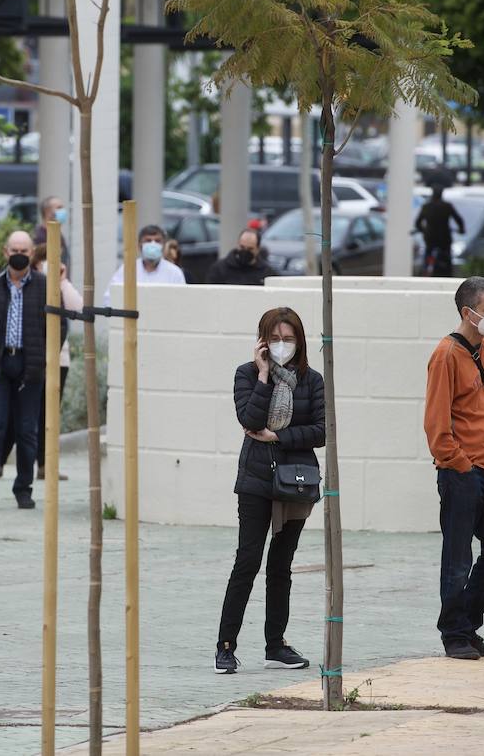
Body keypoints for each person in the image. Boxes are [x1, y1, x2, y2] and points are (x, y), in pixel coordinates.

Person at [214, 306, 324, 675]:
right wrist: (263, 375)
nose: (281, 346)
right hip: (257, 481)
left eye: (288, 339)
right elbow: (249, 420)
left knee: (282, 565)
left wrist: (278, 436)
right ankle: (226, 645)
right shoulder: (246, 374)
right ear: (262, 341)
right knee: (247, 560)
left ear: (300, 341)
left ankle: (275, 645)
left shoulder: (312, 380)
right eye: (274, 339)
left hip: (295, 480)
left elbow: (322, 431)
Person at [423, 276, 484, 661]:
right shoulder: (445, 354)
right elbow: (436, 421)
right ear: (468, 312)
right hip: (463, 471)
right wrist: (457, 463)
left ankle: (467, 623)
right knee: (457, 557)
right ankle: (454, 634)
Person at [0, 231, 60, 511]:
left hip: (30, 365)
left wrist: (46, 356)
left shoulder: (45, 286)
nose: (19, 254)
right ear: (5, 252)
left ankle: (24, 488)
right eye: (14, 249)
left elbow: (61, 326)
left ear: (32, 252)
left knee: (27, 431)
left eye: (24, 249)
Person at [32, 243, 81, 481]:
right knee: (23, 413)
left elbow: (77, 306)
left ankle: (46, 464)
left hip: (58, 359)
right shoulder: (31, 285)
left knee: (50, 415)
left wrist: (61, 281)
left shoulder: (61, 285)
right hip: (32, 357)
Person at [103, 224, 186, 305]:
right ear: (139, 245)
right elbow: (110, 298)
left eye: (157, 241)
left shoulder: (174, 273)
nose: (153, 244)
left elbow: (182, 301)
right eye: (148, 240)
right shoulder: (127, 269)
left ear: (164, 246)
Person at [415, 187, 466, 277]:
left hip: (430, 239)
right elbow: (459, 220)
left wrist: (423, 230)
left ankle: (425, 270)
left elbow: (418, 223)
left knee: (428, 255)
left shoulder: (426, 206)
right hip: (444, 239)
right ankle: (448, 273)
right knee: (447, 258)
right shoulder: (447, 206)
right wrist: (462, 230)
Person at [206, 229, 272, 286]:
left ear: (258, 249)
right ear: (238, 245)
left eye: (250, 249)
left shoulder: (266, 273)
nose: (245, 251)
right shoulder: (219, 269)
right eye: (242, 247)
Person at [32, 196, 70, 266]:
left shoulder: (58, 234)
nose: (63, 211)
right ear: (47, 212)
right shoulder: (39, 237)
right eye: (59, 208)